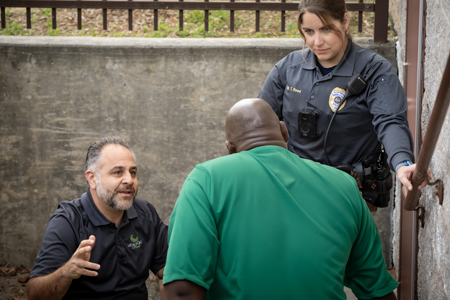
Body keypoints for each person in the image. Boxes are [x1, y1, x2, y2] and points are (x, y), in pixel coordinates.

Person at [161, 98, 398, 300]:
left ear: (230, 148)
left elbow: (182, 290)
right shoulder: (344, 185)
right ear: (284, 131)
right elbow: (377, 290)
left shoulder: (206, 180)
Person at [257, 0, 426, 208]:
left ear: (345, 21)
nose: (317, 41)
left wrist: (403, 163)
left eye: (326, 29)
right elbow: (260, 121)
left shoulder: (374, 71)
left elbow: (390, 121)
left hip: (351, 194)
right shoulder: (288, 68)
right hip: (294, 189)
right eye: (309, 31)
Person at [27, 137, 168, 300]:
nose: (129, 180)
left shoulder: (146, 213)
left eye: (133, 172)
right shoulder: (67, 221)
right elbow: (34, 295)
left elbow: (169, 272)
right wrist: (66, 272)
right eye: (118, 172)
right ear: (92, 178)